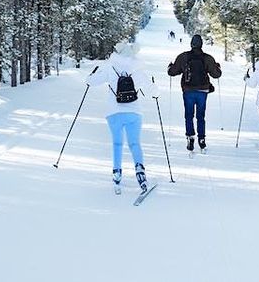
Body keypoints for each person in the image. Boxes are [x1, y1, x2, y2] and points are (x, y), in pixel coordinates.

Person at [88, 41, 158, 194]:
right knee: (134, 143)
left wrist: (91, 75)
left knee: (117, 143)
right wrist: (154, 87)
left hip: (113, 112)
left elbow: (91, 82)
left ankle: (117, 172)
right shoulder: (138, 70)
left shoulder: (110, 67)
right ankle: (140, 171)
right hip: (134, 112)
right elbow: (154, 91)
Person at [167, 33, 222, 152]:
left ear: (191, 44)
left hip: (188, 90)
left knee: (189, 115)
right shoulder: (207, 58)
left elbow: (172, 72)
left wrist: (169, 67)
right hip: (203, 91)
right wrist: (217, 67)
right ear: (201, 44)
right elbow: (216, 74)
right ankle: (201, 139)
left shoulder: (183, 56)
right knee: (201, 116)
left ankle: (190, 137)